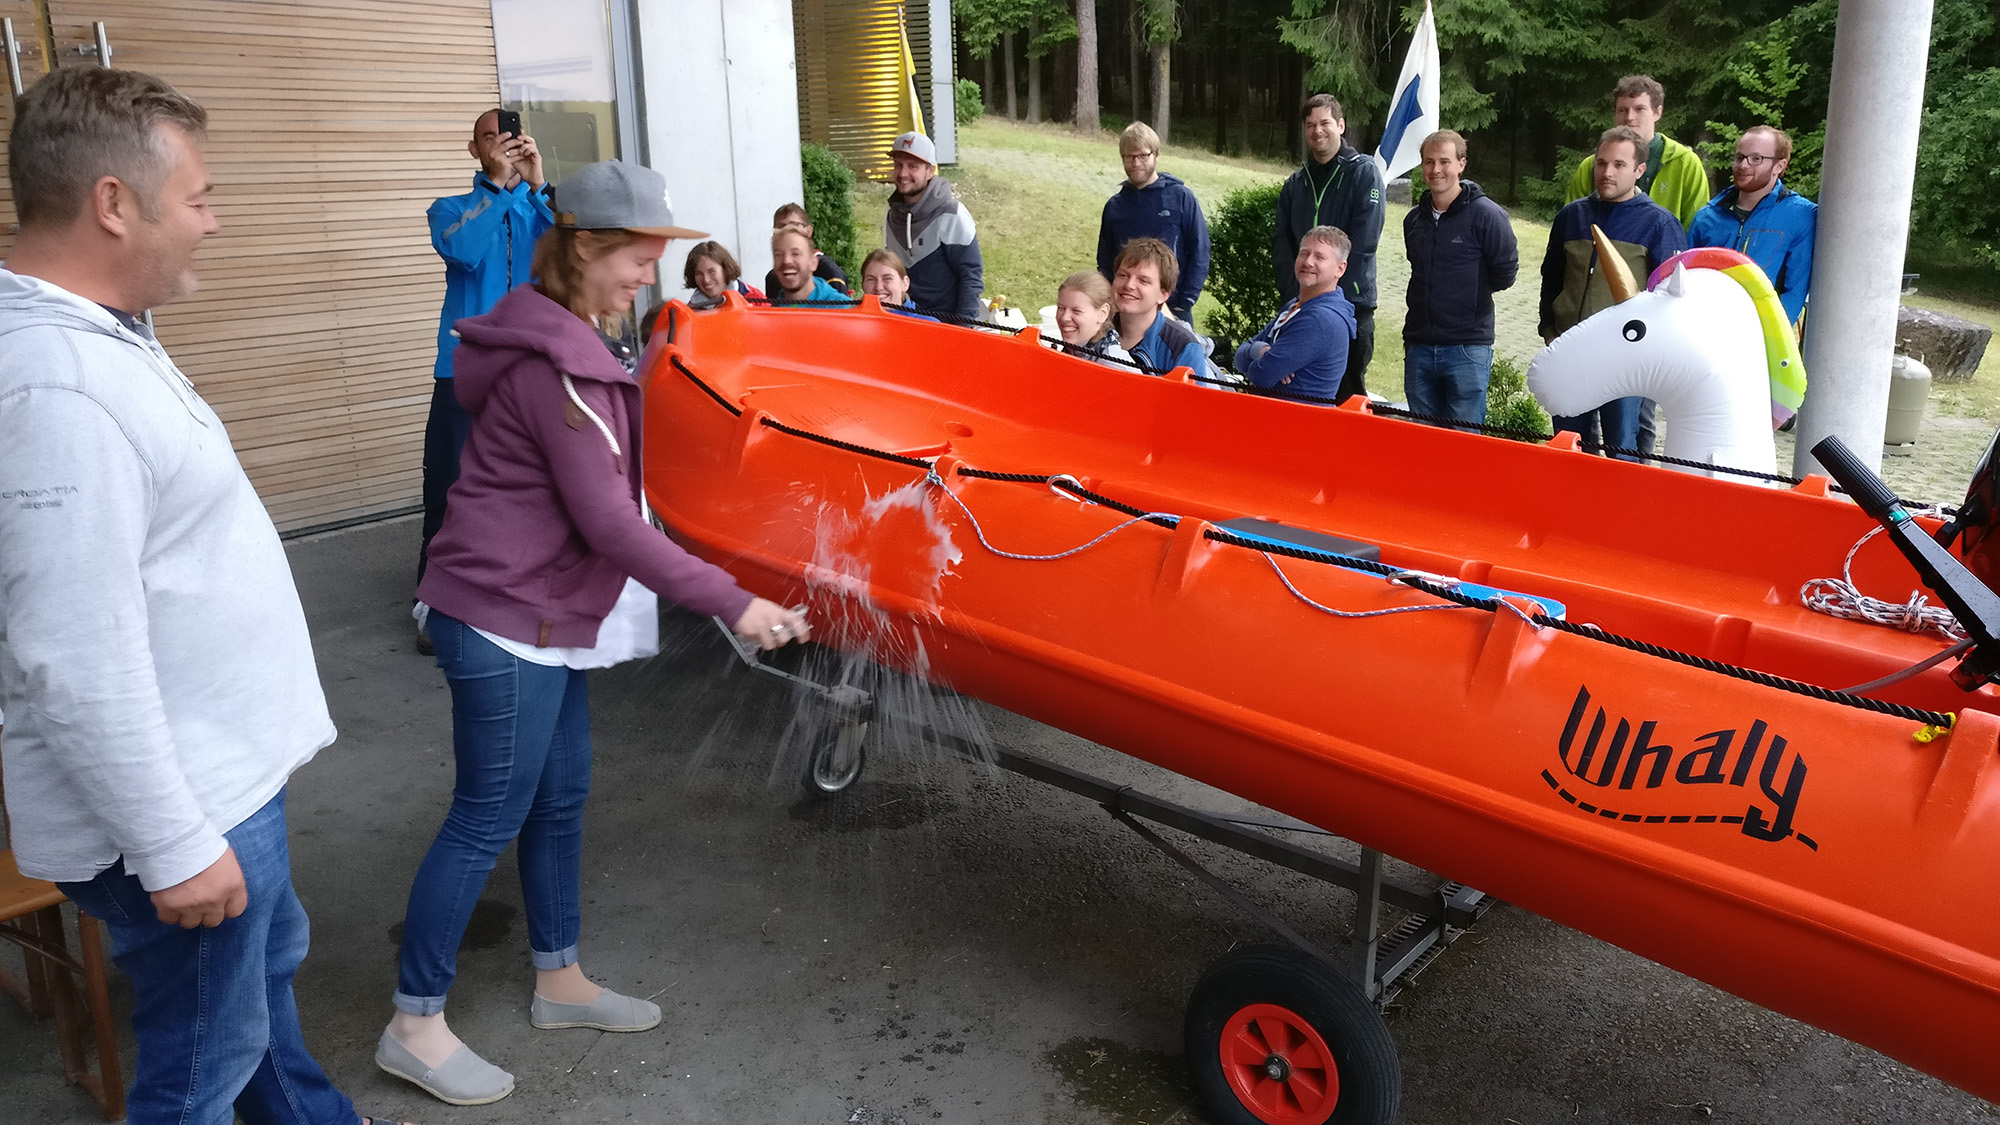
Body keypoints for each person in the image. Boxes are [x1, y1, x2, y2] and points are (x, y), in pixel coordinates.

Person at [0, 65, 407, 1125]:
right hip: (180, 816)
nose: (214, 223)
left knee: (253, 1021)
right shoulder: (58, 384)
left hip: (212, 786)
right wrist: (174, 843)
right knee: (196, 1077)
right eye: (201, 197)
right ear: (112, 203)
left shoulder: (104, 338)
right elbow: (71, 648)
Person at [382, 159, 809, 1106]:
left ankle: (559, 976)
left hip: (547, 613)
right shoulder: (555, 363)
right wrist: (732, 599)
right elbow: (613, 521)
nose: (647, 276)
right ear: (582, 249)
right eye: (636, 257)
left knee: (561, 794)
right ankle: (414, 1020)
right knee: (487, 812)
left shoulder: (574, 338)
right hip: (499, 614)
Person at [420, 107, 554, 641]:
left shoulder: (540, 211)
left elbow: (570, 257)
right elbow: (463, 251)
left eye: (509, 138)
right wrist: (497, 187)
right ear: (474, 150)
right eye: (488, 139)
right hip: (464, 370)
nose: (500, 145)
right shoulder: (450, 208)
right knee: (450, 486)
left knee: (533, 489)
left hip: (530, 371)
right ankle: (435, 606)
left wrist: (539, 184)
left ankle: (521, 596)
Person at [1539, 126, 1687, 458]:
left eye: (1619, 165)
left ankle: (1622, 509)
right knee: (1570, 447)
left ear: (1639, 170)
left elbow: (1672, 300)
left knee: (1623, 450)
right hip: (1572, 350)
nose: (1607, 172)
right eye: (1601, 163)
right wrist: (1549, 329)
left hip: (1626, 361)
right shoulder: (1571, 216)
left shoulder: (1660, 224)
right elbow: (1551, 277)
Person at [1403, 130, 1520, 425]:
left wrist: (1467, 297)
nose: (1436, 170)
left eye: (1445, 161)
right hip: (1419, 344)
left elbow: (1505, 274)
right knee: (1421, 442)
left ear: (1461, 164)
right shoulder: (1414, 220)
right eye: (1429, 162)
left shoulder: (1487, 216)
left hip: (1467, 348)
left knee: (1464, 444)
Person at [1274, 94, 1385, 403]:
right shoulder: (1296, 183)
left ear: (1341, 125)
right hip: (1300, 307)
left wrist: (1332, 300)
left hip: (1350, 309)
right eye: (1310, 125)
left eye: (1325, 123)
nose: (1317, 131)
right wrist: (1292, 294)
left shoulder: (1363, 173)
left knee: (1345, 399)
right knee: (1297, 394)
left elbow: (1364, 243)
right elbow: (1282, 242)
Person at [1687, 125, 1816, 326]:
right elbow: (1686, 280)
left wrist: (1770, 336)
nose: (1744, 165)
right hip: (1704, 330)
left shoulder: (1800, 215)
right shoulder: (1707, 217)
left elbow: (1795, 290)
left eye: (1756, 159)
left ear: (1779, 166)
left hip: (1762, 335)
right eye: (1740, 157)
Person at [1095, 121, 1210, 321]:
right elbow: (1105, 262)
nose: (1136, 163)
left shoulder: (1181, 197)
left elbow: (1200, 251)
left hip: (1174, 311)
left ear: (1156, 155)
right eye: (1129, 157)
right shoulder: (1114, 207)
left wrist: (1185, 303)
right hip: (1126, 312)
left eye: (1142, 155)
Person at [1562, 75, 1710, 229]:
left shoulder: (1685, 163)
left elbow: (1697, 228)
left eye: (1639, 109)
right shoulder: (1593, 166)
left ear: (1657, 113)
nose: (1629, 117)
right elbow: (1570, 224)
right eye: (1622, 110)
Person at [1235, 226, 1358, 402]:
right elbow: (1239, 355)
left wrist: (1260, 357)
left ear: (1340, 269)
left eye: (1320, 257)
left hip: (1298, 423)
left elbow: (1262, 376)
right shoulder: (1296, 305)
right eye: (1304, 253)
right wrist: (1260, 350)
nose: (1308, 262)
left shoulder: (1320, 320)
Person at [883, 131, 984, 320]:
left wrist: (962, 332)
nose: (903, 173)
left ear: (930, 171)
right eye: (898, 165)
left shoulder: (952, 213)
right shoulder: (890, 215)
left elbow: (971, 278)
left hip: (946, 327)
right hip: (904, 322)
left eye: (912, 166)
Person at [1111, 237, 1207, 377]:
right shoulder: (1095, 329)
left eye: (1143, 281)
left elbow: (1193, 399)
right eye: (1123, 275)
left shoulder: (1183, 348)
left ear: (1163, 294)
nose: (1129, 285)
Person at [760, 202, 848, 296]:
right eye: (780, 228)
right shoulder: (773, 278)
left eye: (793, 226)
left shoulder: (829, 271)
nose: (787, 232)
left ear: (809, 231)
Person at [1052, 270, 1132, 366]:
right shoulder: (1073, 350)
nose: (1065, 318)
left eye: (1076, 311)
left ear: (1102, 313)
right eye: (1061, 308)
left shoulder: (1113, 365)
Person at [770, 225, 849, 306]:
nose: (786, 261)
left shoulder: (842, 309)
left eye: (796, 254)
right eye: (778, 254)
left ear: (813, 263)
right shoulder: (771, 313)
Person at [684, 239, 764, 310]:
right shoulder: (690, 311)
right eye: (699, 274)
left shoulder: (756, 299)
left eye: (711, 271)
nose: (706, 280)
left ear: (725, 269)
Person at [858, 247, 933, 319]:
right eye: (871, 279)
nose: (878, 287)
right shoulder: (851, 322)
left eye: (887, 278)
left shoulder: (929, 326)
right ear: (863, 284)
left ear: (905, 284)